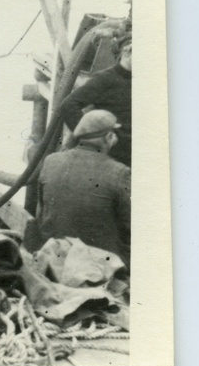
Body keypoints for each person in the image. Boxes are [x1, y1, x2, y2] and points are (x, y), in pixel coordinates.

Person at [24, 109, 131, 266]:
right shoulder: (121, 172)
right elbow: (129, 225)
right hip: (99, 262)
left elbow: (42, 209)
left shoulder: (51, 161)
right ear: (109, 137)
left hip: (54, 255)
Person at [58, 30, 132, 167]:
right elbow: (68, 105)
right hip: (113, 156)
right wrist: (88, 136)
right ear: (127, 52)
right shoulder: (105, 79)